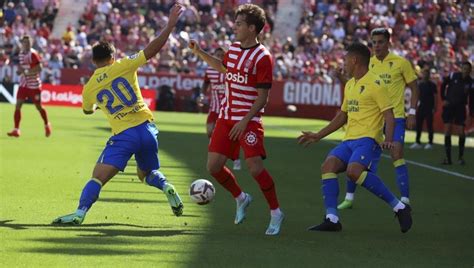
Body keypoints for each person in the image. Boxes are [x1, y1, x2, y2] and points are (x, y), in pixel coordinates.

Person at [52, 4, 184, 225]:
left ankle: (80, 213)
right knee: (146, 173)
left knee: (98, 177)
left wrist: (96, 106)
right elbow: (151, 50)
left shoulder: (90, 87)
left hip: (124, 135)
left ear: (93, 61)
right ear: (112, 57)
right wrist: (170, 25)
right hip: (147, 128)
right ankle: (165, 186)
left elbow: (87, 110)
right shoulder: (124, 65)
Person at [188, 3, 284, 235]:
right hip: (226, 117)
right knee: (213, 167)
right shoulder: (232, 49)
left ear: (252, 28)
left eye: (239, 24)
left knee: (254, 167)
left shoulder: (263, 57)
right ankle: (241, 197)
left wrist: (245, 121)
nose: (235, 27)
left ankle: (276, 212)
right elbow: (223, 69)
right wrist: (199, 52)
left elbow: (263, 97)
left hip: (248, 121)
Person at [298, 43, 412, 233]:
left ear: (355, 60)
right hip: (349, 140)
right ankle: (332, 219)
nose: (344, 63)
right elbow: (342, 116)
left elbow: (389, 115)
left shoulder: (376, 84)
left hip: (368, 140)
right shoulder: (350, 84)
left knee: (353, 171)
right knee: (327, 167)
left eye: (345, 59)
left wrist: (389, 139)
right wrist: (318, 135)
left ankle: (399, 207)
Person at [338, 28, 418, 209]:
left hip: (395, 117)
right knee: (356, 158)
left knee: (396, 153)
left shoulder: (401, 63)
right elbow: (355, 87)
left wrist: (412, 111)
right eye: (374, 42)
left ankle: (404, 200)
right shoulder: (368, 63)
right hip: (373, 120)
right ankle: (349, 198)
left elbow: (414, 87)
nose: (377, 46)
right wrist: (340, 77)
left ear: (388, 42)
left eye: (380, 42)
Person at [201, 47, 241, 170]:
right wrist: (202, 95)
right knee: (209, 130)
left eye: (221, 55)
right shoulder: (209, 70)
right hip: (214, 107)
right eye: (217, 54)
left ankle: (236, 159)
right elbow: (206, 83)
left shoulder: (230, 70)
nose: (219, 56)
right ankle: (217, 151)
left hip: (228, 108)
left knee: (232, 134)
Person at [7, 35, 51, 138]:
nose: (26, 44)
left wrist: (26, 71)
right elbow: (23, 68)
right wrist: (19, 71)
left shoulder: (33, 54)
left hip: (34, 85)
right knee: (18, 105)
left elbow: (39, 68)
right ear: (22, 43)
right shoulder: (21, 54)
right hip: (23, 84)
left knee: (38, 107)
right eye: (24, 42)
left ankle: (46, 124)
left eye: (28, 42)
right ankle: (16, 130)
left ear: (30, 43)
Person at [440, 61, 473, 165]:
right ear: (461, 68)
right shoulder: (453, 75)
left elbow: (472, 99)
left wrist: (471, 113)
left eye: (468, 69)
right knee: (447, 130)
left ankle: (460, 157)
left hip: (460, 108)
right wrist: (443, 98)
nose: (466, 70)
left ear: (470, 70)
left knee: (461, 132)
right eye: (464, 68)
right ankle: (448, 158)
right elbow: (443, 85)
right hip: (449, 106)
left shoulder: (471, 82)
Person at [410, 68, 438, 149]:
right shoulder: (420, 84)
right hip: (421, 107)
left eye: (426, 73)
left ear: (429, 75)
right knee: (419, 125)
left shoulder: (432, 85)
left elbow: (435, 96)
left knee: (429, 125)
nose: (425, 75)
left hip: (429, 107)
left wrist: (435, 107)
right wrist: (415, 107)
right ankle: (417, 142)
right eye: (424, 73)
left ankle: (430, 142)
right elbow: (417, 96)